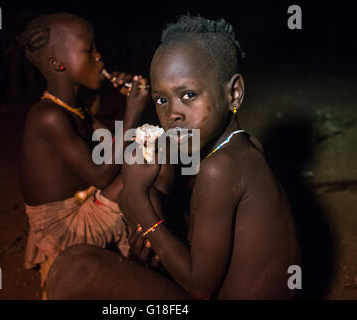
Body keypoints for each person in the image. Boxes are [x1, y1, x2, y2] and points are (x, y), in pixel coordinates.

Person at [46, 15, 300, 300]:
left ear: (234, 93)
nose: (172, 113)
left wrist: (138, 197)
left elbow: (199, 287)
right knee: (155, 200)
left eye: (188, 94)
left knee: (76, 269)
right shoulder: (242, 147)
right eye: (162, 100)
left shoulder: (221, 168)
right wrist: (154, 231)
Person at [18, 13, 150, 296]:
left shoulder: (72, 108)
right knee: (140, 168)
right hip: (64, 227)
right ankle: (151, 251)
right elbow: (101, 174)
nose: (99, 57)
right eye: (88, 51)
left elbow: (110, 146)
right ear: (57, 63)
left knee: (143, 156)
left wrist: (129, 106)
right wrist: (132, 116)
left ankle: (149, 249)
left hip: (82, 202)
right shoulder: (47, 117)